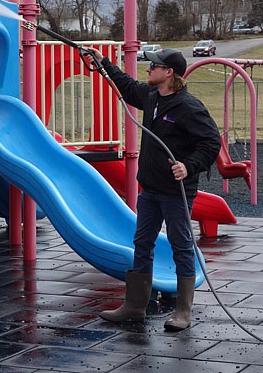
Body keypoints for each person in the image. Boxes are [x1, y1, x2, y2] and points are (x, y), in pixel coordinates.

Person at [89, 47, 220, 331]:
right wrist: (103, 63)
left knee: (181, 246)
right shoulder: (150, 97)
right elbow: (126, 85)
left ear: (169, 72)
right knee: (142, 243)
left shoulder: (188, 107)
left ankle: (183, 311)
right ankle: (135, 306)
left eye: (154, 66)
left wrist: (189, 165)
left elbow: (211, 142)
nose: (148, 70)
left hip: (176, 192)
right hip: (149, 190)